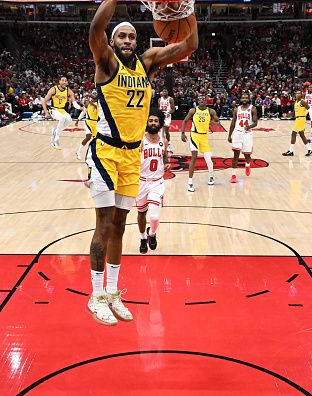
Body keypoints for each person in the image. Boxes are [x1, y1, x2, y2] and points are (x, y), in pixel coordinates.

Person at [86, 1, 197, 326]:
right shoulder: (106, 63)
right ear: (113, 41)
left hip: (132, 155)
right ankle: (95, 296)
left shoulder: (146, 63)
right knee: (104, 225)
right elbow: (95, 30)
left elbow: (190, 43)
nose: (127, 41)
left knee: (120, 226)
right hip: (106, 153)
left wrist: (188, 9)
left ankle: (112, 292)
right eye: (121, 36)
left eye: (132, 37)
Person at [137, 109, 170, 254]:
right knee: (141, 213)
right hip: (141, 181)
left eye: (156, 121)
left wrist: (167, 162)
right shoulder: (140, 140)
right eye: (150, 120)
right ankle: (143, 237)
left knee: (154, 216)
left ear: (160, 123)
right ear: (146, 123)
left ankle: (152, 233)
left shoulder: (164, 141)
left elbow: (164, 157)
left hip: (157, 182)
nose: (153, 123)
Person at [181, 94, 220, 192]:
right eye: (200, 99)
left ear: (207, 101)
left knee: (208, 159)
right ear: (197, 101)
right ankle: (190, 182)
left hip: (204, 137)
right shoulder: (193, 111)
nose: (202, 100)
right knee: (194, 157)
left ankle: (211, 176)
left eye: (203, 99)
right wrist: (182, 133)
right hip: (194, 135)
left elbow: (217, 121)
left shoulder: (211, 111)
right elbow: (185, 121)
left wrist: (214, 123)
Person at [42, 76, 81, 149]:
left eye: (65, 81)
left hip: (62, 110)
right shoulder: (53, 89)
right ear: (59, 81)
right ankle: (55, 139)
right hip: (53, 109)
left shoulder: (69, 91)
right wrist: (46, 112)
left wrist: (80, 108)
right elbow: (44, 101)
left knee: (70, 120)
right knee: (62, 118)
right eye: (62, 80)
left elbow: (74, 103)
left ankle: (56, 131)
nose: (64, 82)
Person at [228, 93, 258, 183]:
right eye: (243, 97)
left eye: (246, 97)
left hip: (247, 134)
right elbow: (233, 123)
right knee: (236, 154)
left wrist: (249, 126)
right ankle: (233, 175)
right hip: (238, 133)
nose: (244, 99)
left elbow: (256, 122)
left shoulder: (253, 108)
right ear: (240, 99)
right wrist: (229, 135)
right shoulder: (236, 109)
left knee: (247, 155)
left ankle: (248, 164)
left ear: (248, 99)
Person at [282, 90, 312, 156]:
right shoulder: (296, 102)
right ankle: (310, 149)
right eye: (296, 93)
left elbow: (310, 109)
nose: (297, 94)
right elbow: (293, 113)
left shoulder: (303, 102)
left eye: (299, 93)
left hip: (301, 119)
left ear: (301, 95)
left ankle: (291, 151)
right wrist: (287, 115)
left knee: (293, 133)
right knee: (302, 135)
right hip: (297, 119)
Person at [76, 92, 98, 160]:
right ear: (91, 95)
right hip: (88, 121)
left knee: (97, 139)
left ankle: (93, 154)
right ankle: (79, 151)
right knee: (88, 137)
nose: (94, 94)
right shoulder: (87, 104)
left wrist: (89, 103)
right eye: (93, 93)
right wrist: (78, 120)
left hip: (96, 122)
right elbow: (83, 112)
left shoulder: (99, 103)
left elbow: (95, 107)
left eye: (95, 93)